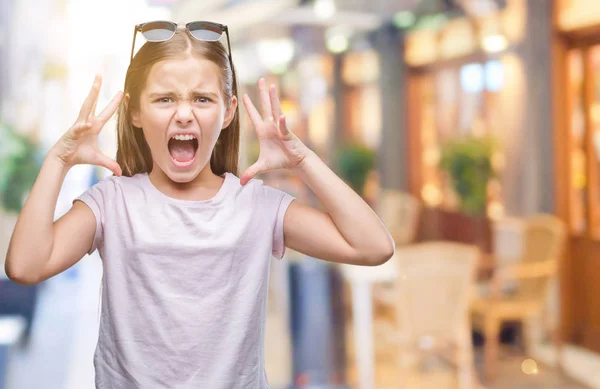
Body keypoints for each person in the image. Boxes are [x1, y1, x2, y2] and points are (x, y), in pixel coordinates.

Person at [4, 21, 395, 389]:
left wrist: (303, 162)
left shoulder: (256, 205)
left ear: (227, 112)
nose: (184, 114)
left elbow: (372, 246)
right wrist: (59, 159)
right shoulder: (112, 201)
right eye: (165, 98)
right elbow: (24, 266)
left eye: (202, 99)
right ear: (136, 112)